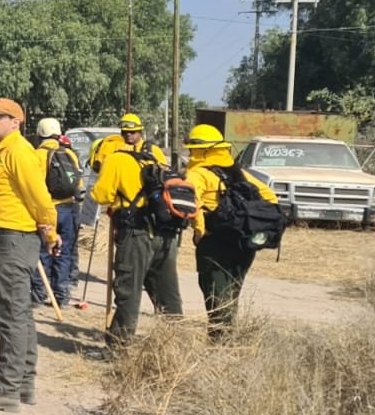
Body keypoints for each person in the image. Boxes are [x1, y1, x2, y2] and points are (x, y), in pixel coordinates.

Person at [0, 98, 59, 413]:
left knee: (10, 317)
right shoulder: (5, 151)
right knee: (20, 315)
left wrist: (51, 232)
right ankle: (23, 385)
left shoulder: (18, 152)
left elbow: (40, 198)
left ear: (15, 121)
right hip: (12, 239)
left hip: (14, 240)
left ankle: (5, 390)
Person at [90, 112, 178, 348]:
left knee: (128, 292)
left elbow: (101, 195)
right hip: (166, 232)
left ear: (122, 133)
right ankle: (176, 345)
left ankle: (117, 349)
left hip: (136, 233)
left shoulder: (115, 159)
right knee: (167, 292)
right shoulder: (156, 154)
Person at [184, 124, 277, 339]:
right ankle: (229, 337)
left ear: (202, 150)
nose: (190, 153)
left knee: (216, 293)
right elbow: (270, 197)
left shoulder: (197, 174)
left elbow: (192, 202)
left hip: (215, 243)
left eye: (192, 149)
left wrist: (199, 231)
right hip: (244, 244)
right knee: (232, 290)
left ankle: (220, 344)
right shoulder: (238, 172)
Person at [32, 118, 82, 308]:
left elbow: (34, 186)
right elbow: (79, 184)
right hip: (69, 209)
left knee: (44, 251)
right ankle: (61, 296)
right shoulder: (69, 153)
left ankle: (39, 295)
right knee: (64, 252)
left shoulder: (38, 155)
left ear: (40, 134)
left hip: (48, 210)